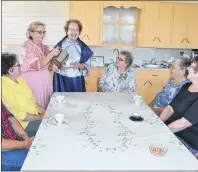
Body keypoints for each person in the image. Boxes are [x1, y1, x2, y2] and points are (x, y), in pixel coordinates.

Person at [159, 57, 198, 157]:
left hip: (187, 141)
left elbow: (184, 123)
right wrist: (159, 122)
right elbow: (171, 107)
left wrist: (162, 132)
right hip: (171, 131)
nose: (188, 68)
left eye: (192, 66)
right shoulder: (186, 86)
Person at [20, 21, 60, 109]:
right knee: (36, 107)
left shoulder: (44, 47)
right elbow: (38, 65)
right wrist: (51, 54)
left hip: (45, 82)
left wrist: (53, 67)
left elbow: (47, 66)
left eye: (43, 32)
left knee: (46, 107)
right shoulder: (27, 47)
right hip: (33, 83)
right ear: (31, 33)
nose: (42, 35)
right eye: (39, 32)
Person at [2, 53, 43, 136]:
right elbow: (20, 115)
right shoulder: (4, 87)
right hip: (24, 125)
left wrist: (43, 111)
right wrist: (41, 117)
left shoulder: (18, 78)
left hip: (35, 116)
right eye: (18, 65)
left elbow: (32, 99)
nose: (21, 66)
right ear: (10, 70)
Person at [53, 19, 93, 92]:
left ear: (79, 32)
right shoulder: (60, 45)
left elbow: (87, 65)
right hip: (62, 79)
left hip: (77, 80)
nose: (74, 32)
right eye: (71, 29)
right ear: (67, 31)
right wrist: (57, 66)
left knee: (77, 101)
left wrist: (80, 66)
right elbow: (54, 63)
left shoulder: (83, 48)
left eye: (76, 30)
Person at [1, 103, 34, 171]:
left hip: (14, 140)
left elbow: (9, 116)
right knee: (38, 159)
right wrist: (24, 145)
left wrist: (24, 134)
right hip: (3, 152)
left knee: (43, 143)